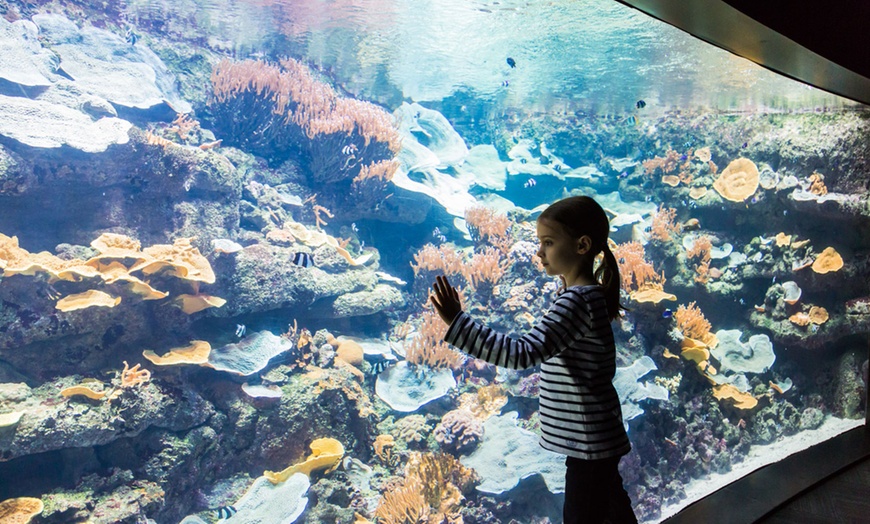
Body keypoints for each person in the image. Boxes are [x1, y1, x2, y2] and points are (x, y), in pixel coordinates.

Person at [430, 195, 637, 524]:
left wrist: (459, 323)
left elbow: (521, 352)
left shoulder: (576, 303)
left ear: (582, 245)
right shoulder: (586, 296)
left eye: (549, 242)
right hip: (596, 437)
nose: (539, 252)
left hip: (589, 442)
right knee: (613, 509)